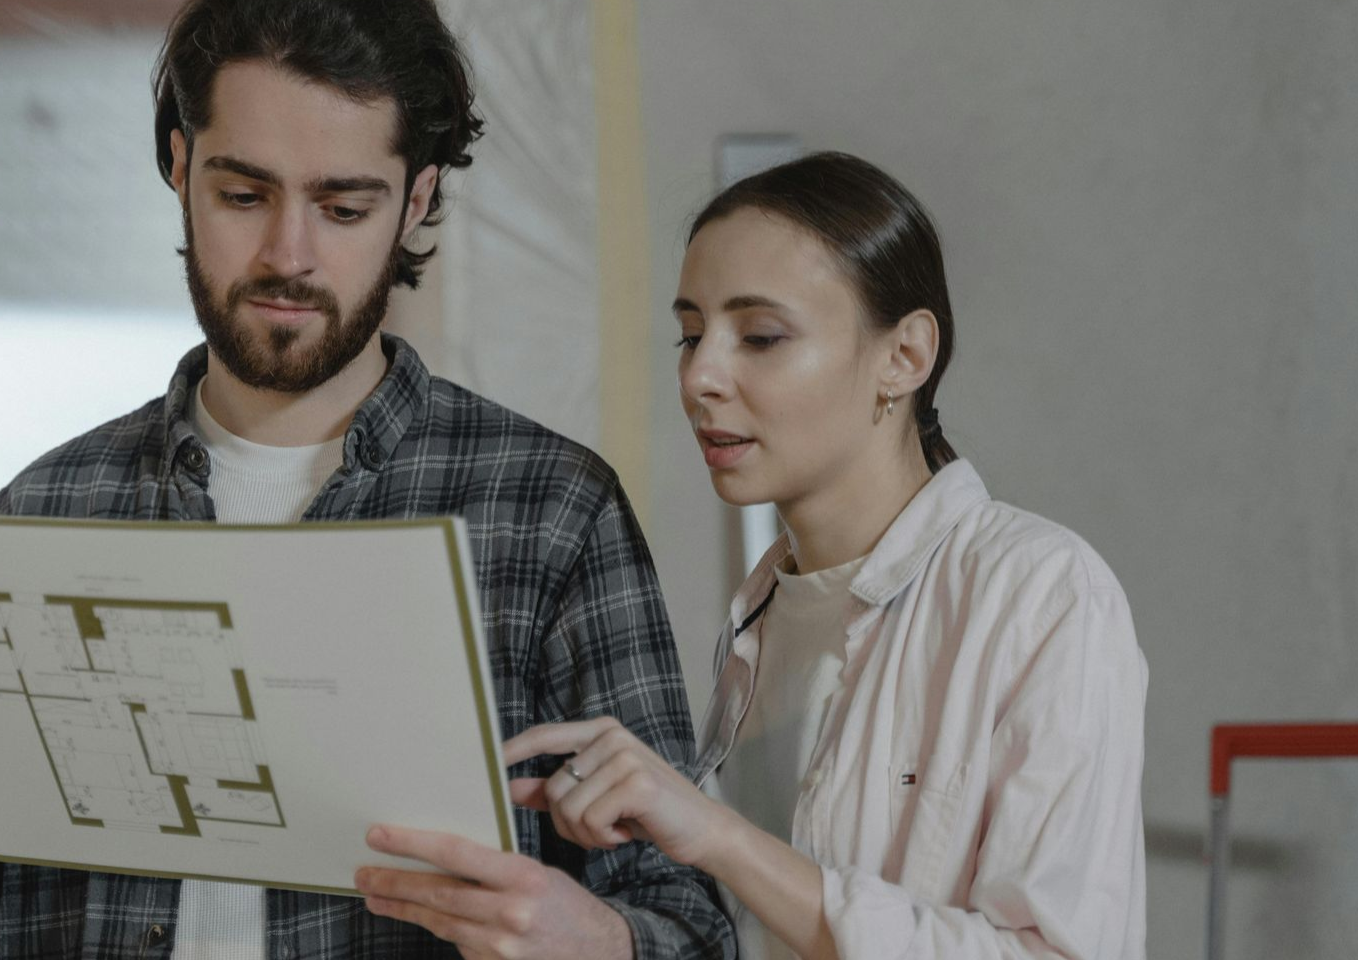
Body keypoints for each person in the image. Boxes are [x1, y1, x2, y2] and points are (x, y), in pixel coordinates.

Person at [0, 1, 732, 957]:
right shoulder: (46, 508)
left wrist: (599, 942)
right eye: (244, 196)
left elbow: (693, 925)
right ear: (178, 166)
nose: (288, 254)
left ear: (417, 198)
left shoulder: (551, 511)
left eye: (344, 208)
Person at [405, 152, 1148, 958]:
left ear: (904, 357)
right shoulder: (765, 614)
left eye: (760, 336)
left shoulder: (1039, 593)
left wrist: (717, 836)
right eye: (690, 335)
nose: (700, 377)